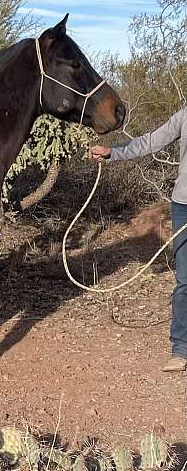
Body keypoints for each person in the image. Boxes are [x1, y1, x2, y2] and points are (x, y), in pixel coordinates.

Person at [91, 108, 187, 372]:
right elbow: (150, 141)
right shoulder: (184, 116)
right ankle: (181, 349)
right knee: (185, 280)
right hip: (184, 205)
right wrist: (113, 153)